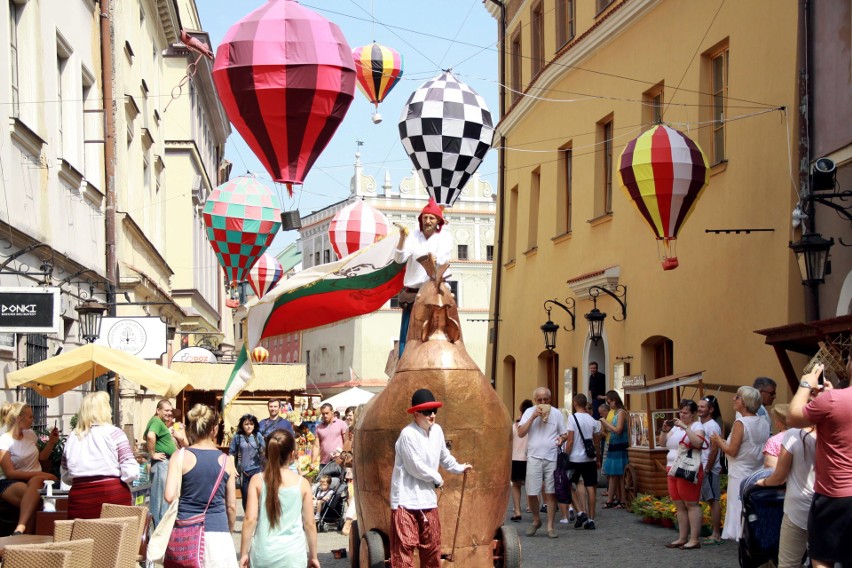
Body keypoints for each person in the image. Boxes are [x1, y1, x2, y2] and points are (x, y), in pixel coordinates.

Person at [389, 389, 471, 567]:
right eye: (427, 412)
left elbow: (444, 456)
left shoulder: (438, 431)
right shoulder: (407, 435)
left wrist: (459, 468)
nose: (432, 415)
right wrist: (436, 477)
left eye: (435, 411)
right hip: (406, 499)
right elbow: (414, 466)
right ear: (416, 413)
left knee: (432, 547)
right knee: (404, 549)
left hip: (427, 500)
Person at [788, 361, 852, 568]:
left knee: (823, 559)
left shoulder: (833, 400)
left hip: (834, 495)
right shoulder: (832, 399)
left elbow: (793, 417)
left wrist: (805, 385)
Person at [164, 404, 237, 568]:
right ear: (215, 429)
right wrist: (228, 530)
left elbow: (169, 496)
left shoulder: (179, 456)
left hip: (185, 534)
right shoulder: (226, 461)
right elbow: (231, 506)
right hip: (218, 534)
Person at [239, 429, 319, 568]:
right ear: (292, 454)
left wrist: (244, 553)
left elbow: (250, 519)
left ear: (267, 453)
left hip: (263, 554)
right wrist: (313, 556)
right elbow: (309, 524)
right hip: (293, 556)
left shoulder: (257, 480)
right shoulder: (302, 483)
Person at [60, 392, 138, 519]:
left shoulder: (72, 437)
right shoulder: (115, 433)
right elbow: (131, 471)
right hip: (113, 495)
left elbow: (65, 475)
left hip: (80, 497)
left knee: (82, 536)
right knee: (116, 537)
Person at [393, 198, 452, 356]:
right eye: (425, 217)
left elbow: (442, 260)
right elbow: (399, 259)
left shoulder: (445, 237)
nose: (427, 221)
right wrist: (402, 239)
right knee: (408, 335)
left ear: (438, 220)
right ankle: (403, 363)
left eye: (431, 217)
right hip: (414, 294)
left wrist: (433, 260)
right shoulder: (413, 236)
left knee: (444, 333)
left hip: (435, 292)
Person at [711, 386, 770, 542]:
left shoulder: (741, 423)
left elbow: (732, 450)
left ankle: (742, 538)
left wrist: (718, 441)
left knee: (739, 508)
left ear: (745, 402)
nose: (733, 399)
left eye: (737, 397)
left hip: (740, 472)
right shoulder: (763, 421)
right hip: (757, 470)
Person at [755, 424, 816, 568]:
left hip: (798, 506)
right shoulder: (837, 435)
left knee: (789, 563)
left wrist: (763, 482)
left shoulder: (794, 435)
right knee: (823, 560)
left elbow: (778, 477)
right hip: (830, 503)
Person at [0, 402, 55, 535]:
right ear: (20, 418)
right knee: (34, 497)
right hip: (10, 481)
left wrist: (51, 443)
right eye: (30, 417)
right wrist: (40, 474)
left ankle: (21, 531)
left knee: (35, 487)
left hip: (36, 479)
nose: (33, 419)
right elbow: (10, 473)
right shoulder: (4, 440)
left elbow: (41, 458)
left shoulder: (30, 434)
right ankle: (26, 534)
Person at [518, 387, 566, 538]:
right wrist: (533, 417)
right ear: (535, 401)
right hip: (534, 457)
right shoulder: (529, 412)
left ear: (550, 400)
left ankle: (550, 526)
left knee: (551, 493)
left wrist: (561, 439)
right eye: (540, 400)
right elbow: (520, 433)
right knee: (532, 492)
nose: (543, 402)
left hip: (551, 457)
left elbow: (564, 433)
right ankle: (536, 519)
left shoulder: (557, 414)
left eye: (546, 399)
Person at [657, 399, 706, 549]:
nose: (682, 415)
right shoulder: (676, 428)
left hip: (687, 468)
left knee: (691, 503)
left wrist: (685, 427)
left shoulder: (697, 426)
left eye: (686, 413)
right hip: (672, 467)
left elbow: (698, 443)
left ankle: (694, 539)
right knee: (679, 503)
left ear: (693, 414)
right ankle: (682, 537)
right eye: (681, 412)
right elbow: (662, 443)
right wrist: (665, 431)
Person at [559, 393, 602, 530]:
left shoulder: (572, 418)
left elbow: (570, 440)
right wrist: (597, 458)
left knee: (568, 484)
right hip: (589, 458)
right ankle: (591, 519)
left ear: (575, 404)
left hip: (575, 459)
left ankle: (580, 511)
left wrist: (566, 455)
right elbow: (596, 442)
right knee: (591, 488)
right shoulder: (593, 420)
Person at [144, 399, 177, 527]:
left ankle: (159, 532)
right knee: (159, 500)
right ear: (158, 410)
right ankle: (157, 533)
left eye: (170, 410)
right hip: (161, 464)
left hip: (164, 463)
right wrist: (152, 454)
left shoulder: (159, 422)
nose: (169, 413)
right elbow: (150, 436)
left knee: (162, 500)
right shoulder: (156, 421)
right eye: (166, 410)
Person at [697, 395, 724, 545]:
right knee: (707, 499)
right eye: (699, 406)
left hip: (710, 469)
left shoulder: (712, 425)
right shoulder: (701, 424)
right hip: (702, 466)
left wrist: (707, 468)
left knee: (713, 500)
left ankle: (716, 534)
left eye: (703, 406)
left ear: (711, 409)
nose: (699, 409)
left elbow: (714, 449)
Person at [229, 413, 266, 513]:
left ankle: (258, 517)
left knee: (259, 496)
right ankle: (248, 516)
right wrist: (233, 468)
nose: (249, 426)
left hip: (257, 470)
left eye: (251, 424)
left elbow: (264, 452)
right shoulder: (237, 437)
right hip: (243, 472)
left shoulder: (258, 436)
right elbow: (231, 453)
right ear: (242, 425)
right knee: (245, 497)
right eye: (246, 424)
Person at [599, 390, 628, 509]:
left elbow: (618, 429)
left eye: (609, 402)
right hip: (614, 444)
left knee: (618, 473)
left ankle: (619, 499)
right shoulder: (615, 412)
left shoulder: (621, 412)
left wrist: (605, 423)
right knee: (613, 473)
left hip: (620, 445)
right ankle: (614, 498)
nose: (609, 404)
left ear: (615, 401)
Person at [510, 399, 533, 521]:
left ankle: (517, 511)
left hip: (516, 458)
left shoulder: (514, 426)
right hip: (530, 458)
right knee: (532, 485)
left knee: (516, 485)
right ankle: (530, 507)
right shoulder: (533, 427)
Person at [312, 403, 347, 470]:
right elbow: (316, 446)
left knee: (336, 480)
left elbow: (346, 442)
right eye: (323, 414)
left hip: (338, 462)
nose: (325, 415)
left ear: (332, 412)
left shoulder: (341, 424)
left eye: (327, 413)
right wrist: (312, 462)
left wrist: (342, 455)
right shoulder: (319, 428)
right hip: (324, 463)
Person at [762, 404, 789, 468]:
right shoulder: (803, 436)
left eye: (776, 418)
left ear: (780, 421)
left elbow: (770, 465)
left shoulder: (774, 441)